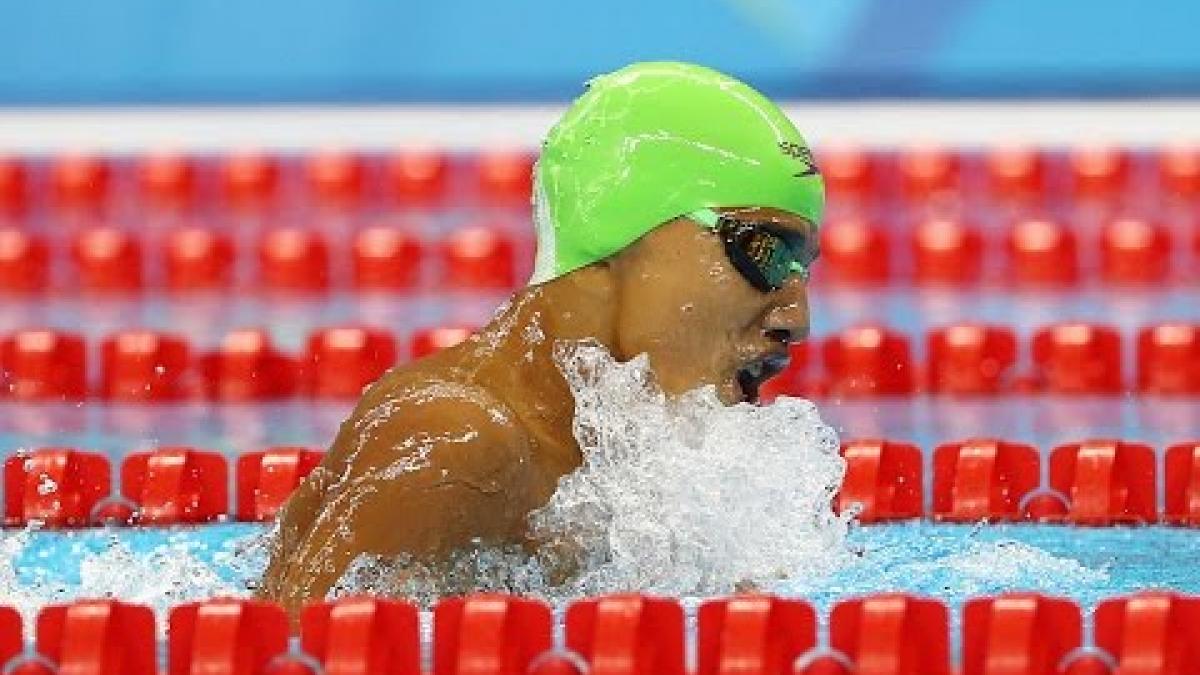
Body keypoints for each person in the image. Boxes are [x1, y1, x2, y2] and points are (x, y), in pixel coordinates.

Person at [258, 61, 824, 616]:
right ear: (618, 233)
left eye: (804, 269)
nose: (795, 319)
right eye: (766, 253)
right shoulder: (458, 442)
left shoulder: (623, 457)